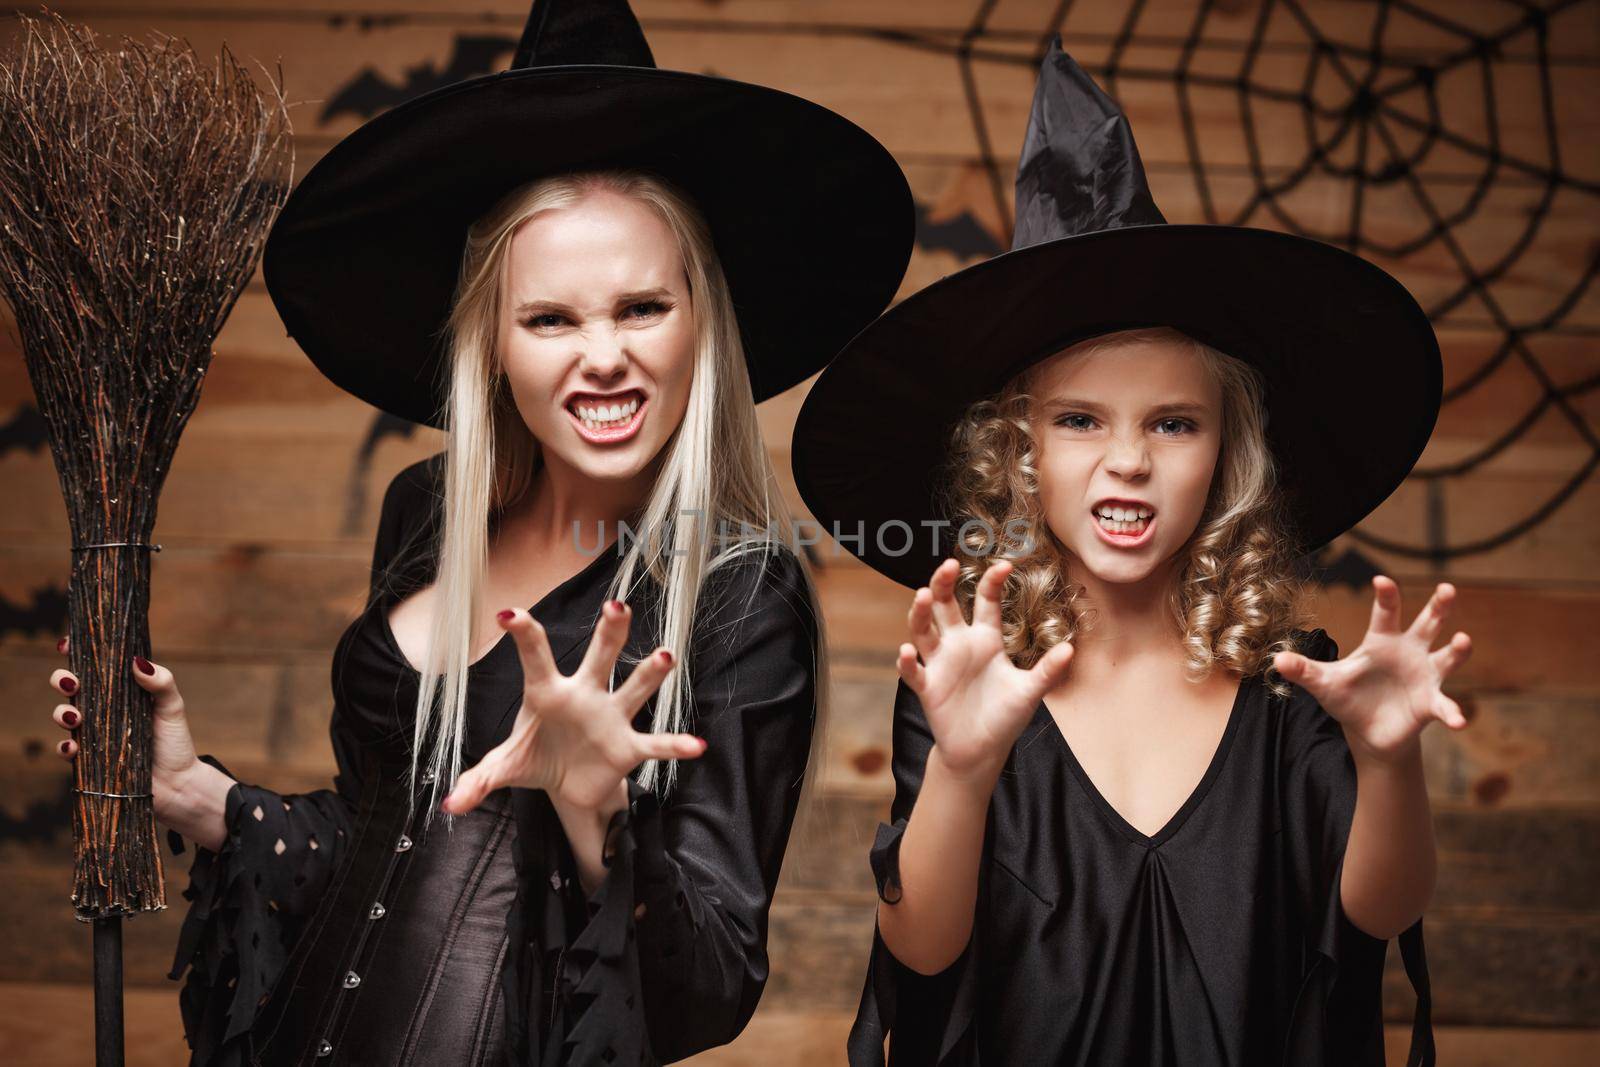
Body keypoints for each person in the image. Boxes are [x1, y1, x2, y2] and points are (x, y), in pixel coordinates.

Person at [46, 2, 913, 1064]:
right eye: (550, 318)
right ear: (492, 342)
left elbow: (713, 983)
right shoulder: (425, 511)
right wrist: (198, 791)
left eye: (641, 307)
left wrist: (596, 815)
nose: (602, 356)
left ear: (701, 322)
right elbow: (381, 855)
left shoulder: (738, 593)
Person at [791, 39, 1451, 1067]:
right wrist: (963, 768)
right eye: (1081, 421)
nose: (1129, 461)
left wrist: (1388, 755)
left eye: (1174, 424)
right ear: (1019, 452)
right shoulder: (975, 689)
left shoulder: (1293, 690)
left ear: (1227, 453)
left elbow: (1374, 909)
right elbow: (922, 949)